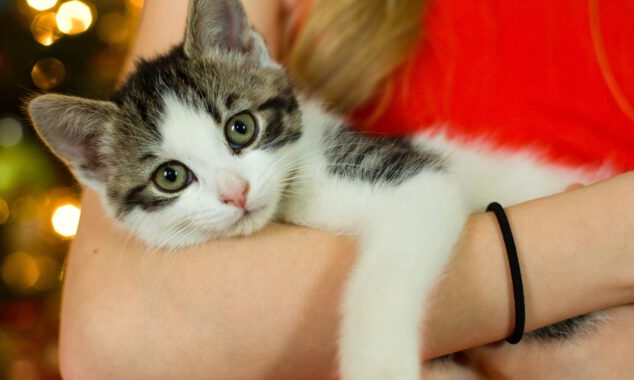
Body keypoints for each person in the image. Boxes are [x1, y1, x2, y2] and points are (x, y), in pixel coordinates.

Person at [58, 1, 634, 378]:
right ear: (96, 166)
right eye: (172, 177)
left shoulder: (312, 166)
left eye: (240, 130)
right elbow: (108, 339)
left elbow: (421, 195)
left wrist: (378, 351)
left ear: (246, 53)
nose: (233, 191)